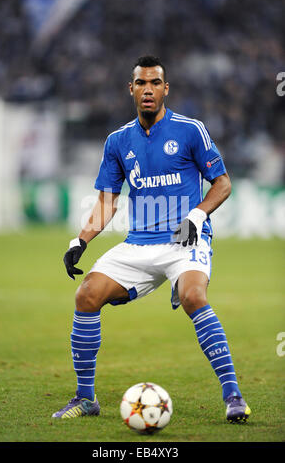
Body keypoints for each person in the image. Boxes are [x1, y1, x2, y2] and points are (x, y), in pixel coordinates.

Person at [52, 56, 251, 423]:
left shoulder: (191, 130)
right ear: (131, 89)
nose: (148, 89)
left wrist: (197, 214)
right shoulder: (117, 141)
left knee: (194, 296)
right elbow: (107, 201)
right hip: (139, 243)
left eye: (155, 83)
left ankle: (233, 394)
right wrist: (80, 241)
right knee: (86, 295)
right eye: (141, 83)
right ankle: (85, 398)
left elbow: (222, 184)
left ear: (165, 89)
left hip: (185, 241)